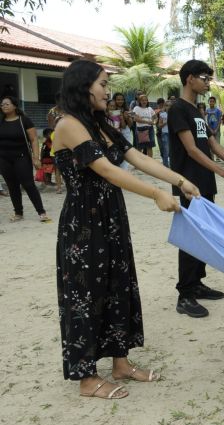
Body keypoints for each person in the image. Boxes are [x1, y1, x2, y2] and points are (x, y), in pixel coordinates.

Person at [53, 59, 201, 400]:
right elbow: (105, 169)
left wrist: (180, 181)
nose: (108, 91)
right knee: (85, 295)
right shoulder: (69, 124)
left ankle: (120, 362)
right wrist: (154, 194)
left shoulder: (99, 124)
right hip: (83, 224)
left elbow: (137, 158)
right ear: (84, 86)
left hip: (111, 218)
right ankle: (87, 378)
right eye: (103, 85)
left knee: (119, 287)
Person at [169, 60, 224, 318]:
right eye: (204, 77)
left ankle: (197, 284)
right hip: (188, 184)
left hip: (204, 183)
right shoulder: (178, 109)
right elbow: (191, 149)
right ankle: (185, 294)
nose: (207, 82)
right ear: (189, 78)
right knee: (191, 236)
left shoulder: (197, 111)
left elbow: (213, 145)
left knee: (204, 235)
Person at [0, 94, 50, 222]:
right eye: (2, 104)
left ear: (14, 105)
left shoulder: (24, 120)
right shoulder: (1, 121)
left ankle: (41, 212)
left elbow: (33, 140)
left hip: (21, 157)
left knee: (28, 184)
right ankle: (18, 213)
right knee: (12, 186)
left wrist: (36, 158)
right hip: (4, 159)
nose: (4, 106)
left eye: (7, 104)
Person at [132, 93, 156, 157]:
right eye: (142, 100)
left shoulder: (150, 108)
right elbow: (135, 119)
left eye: (145, 100)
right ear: (139, 101)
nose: (144, 101)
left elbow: (155, 117)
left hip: (150, 129)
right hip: (141, 129)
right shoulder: (136, 108)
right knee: (140, 147)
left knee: (150, 146)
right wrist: (147, 122)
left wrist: (153, 121)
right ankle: (140, 163)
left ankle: (150, 162)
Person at [154, 98, 170, 167]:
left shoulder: (174, 114)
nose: (168, 107)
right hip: (162, 133)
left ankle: (169, 163)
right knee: (164, 149)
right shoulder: (160, 113)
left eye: (162, 104)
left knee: (169, 150)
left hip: (170, 133)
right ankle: (165, 164)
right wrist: (166, 122)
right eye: (166, 105)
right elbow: (157, 124)